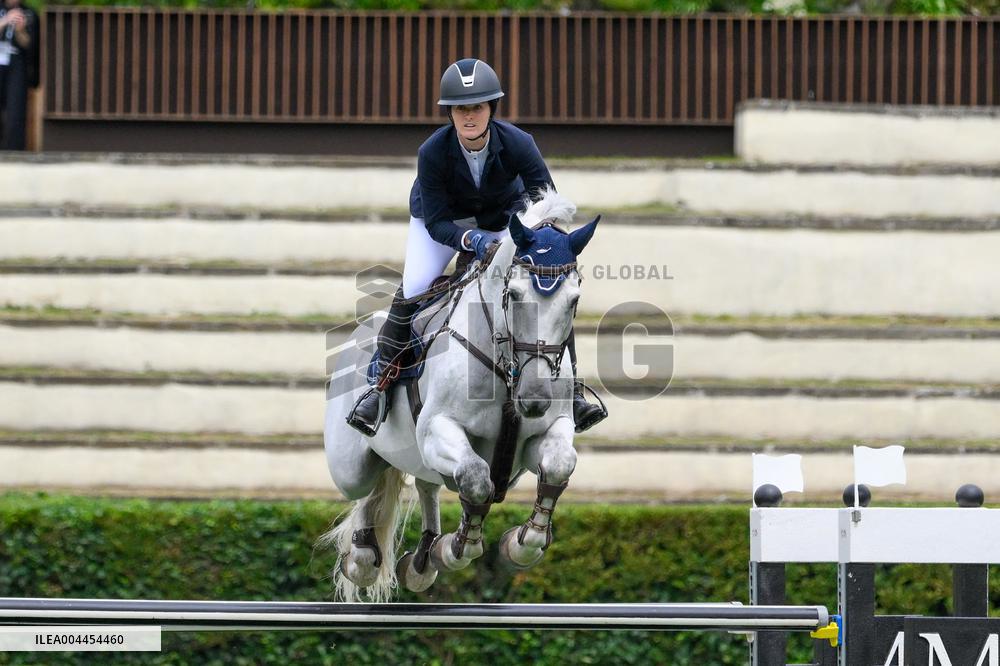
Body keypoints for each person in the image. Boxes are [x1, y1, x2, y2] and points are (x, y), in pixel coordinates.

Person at [347, 58, 607, 437]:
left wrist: (541, 243)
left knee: (548, 292)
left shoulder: (519, 143)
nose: (469, 116)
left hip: (505, 222)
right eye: (460, 109)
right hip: (441, 223)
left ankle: (573, 391)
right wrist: (472, 239)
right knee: (415, 287)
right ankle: (380, 386)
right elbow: (437, 223)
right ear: (450, 113)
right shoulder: (432, 152)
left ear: (491, 110)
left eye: (477, 107)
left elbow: (546, 198)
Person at [0, 0, 37, 151]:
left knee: (16, 111)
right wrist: (4, 22)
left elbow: (30, 45)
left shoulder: (29, 13)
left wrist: (20, 30)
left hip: (16, 65)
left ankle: (14, 153)